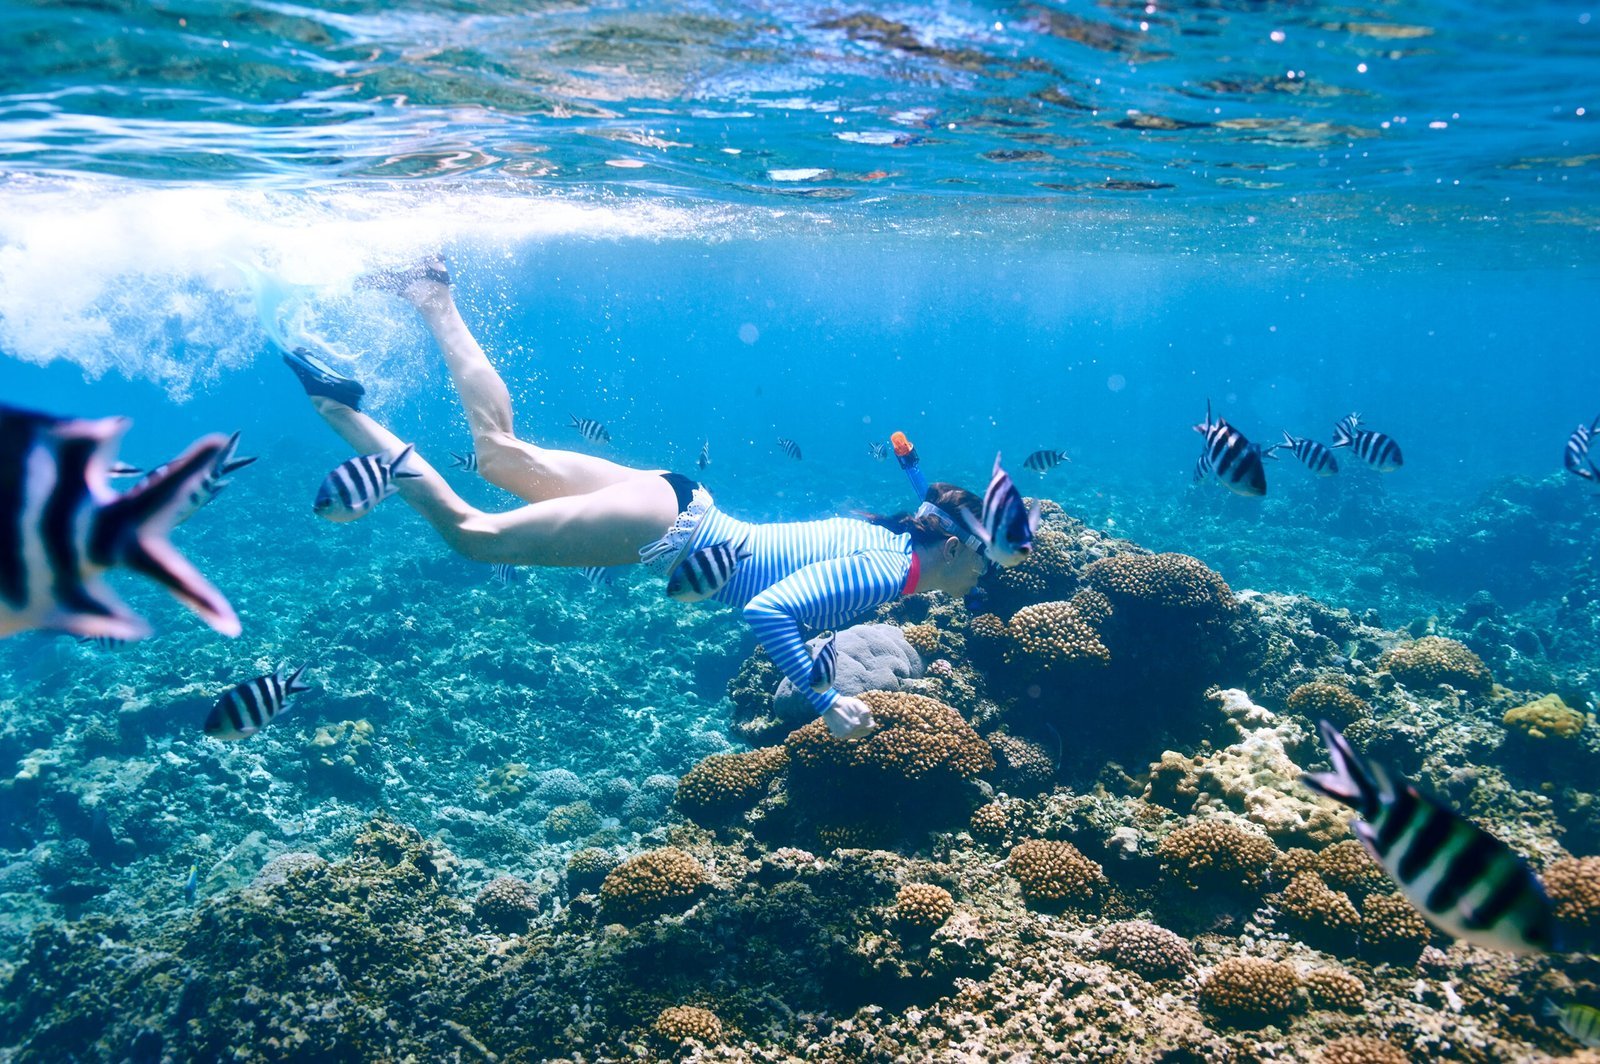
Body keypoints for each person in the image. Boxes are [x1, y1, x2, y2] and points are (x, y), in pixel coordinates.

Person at [282, 260, 992, 739]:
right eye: (984, 562)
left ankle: (432, 293)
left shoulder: (891, 540)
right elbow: (768, 608)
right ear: (953, 546)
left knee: (499, 452)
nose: (985, 579)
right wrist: (823, 698)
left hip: (681, 500)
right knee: (472, 535)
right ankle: (338, 409)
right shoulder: (886, 573)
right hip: (670, 533)